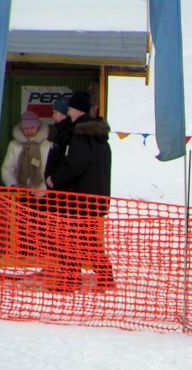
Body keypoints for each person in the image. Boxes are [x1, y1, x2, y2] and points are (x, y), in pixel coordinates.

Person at [45, 91, 114, 291]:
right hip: (93, 198)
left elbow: (77, 163)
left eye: (70, 108)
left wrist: (55, 178)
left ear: (76, 109)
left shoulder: (81, 134)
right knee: (88, 240)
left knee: (69, 241)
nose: (67, 112)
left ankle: (70, 280)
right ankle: (105, 276)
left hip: (78, 199)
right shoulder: (97, 136)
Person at [1, 111, 51, 190]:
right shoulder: (14, 145)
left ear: (38, 127)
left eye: (32, 128)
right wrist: (12, 185)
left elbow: (49, 170)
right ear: (21, 128)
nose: (29, 131)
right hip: (19, 191)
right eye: (26, 128)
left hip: (42, 192)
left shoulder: (47, 146)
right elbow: (7, 168)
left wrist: (44, 187)